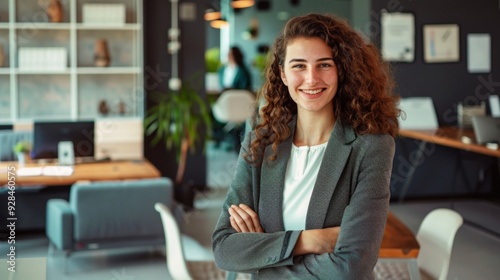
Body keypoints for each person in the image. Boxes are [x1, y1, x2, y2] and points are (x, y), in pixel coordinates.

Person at [212, 13, 400, 279]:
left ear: (341, 70)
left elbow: (351, 268)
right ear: (283, 74)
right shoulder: (261, 138)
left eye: (324, 65)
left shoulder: (372, 147)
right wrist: (310, 241)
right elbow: (224, 249)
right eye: (298, 66)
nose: (311, 79)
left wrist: (264, 253)